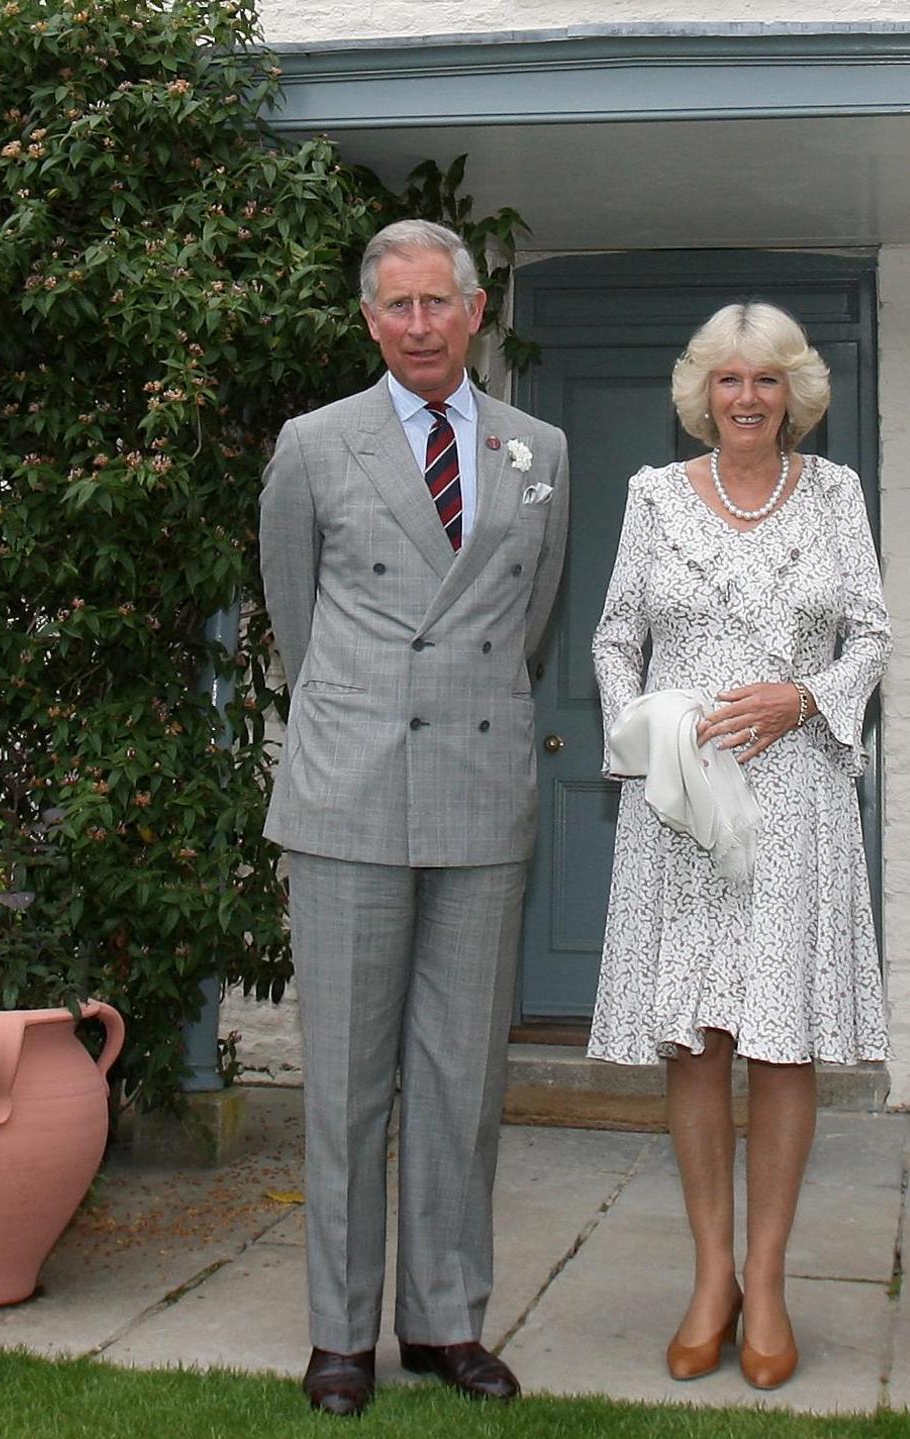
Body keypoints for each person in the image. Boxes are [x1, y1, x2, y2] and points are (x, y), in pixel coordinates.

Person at [258, 218, 570, 1418]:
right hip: (348, 793)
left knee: (458, 1078)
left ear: (476, 310)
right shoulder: (313, 444)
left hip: (481, 797)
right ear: (370, 320)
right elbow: (297, 611)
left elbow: (529, 616)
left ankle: (446, 1320)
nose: (421, 324)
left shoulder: (537, 447)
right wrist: (364, 713)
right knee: (344, 1082)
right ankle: (340, 1334)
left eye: (441, 302)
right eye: (399, 306)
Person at [586, 301, 891, 1390]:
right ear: (701, 393)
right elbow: (616, 632)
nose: (747, 398)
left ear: (794, 392)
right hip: (682, 807)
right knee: (699, 1037)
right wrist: (644, 735)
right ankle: (708, 1275)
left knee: (780, 1038)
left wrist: (804, 696)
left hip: (798, 795)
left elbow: (872, 632)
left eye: (766, 380)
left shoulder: (838, 493)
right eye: (728, 380)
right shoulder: (653, 496)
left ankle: (766, 1282)